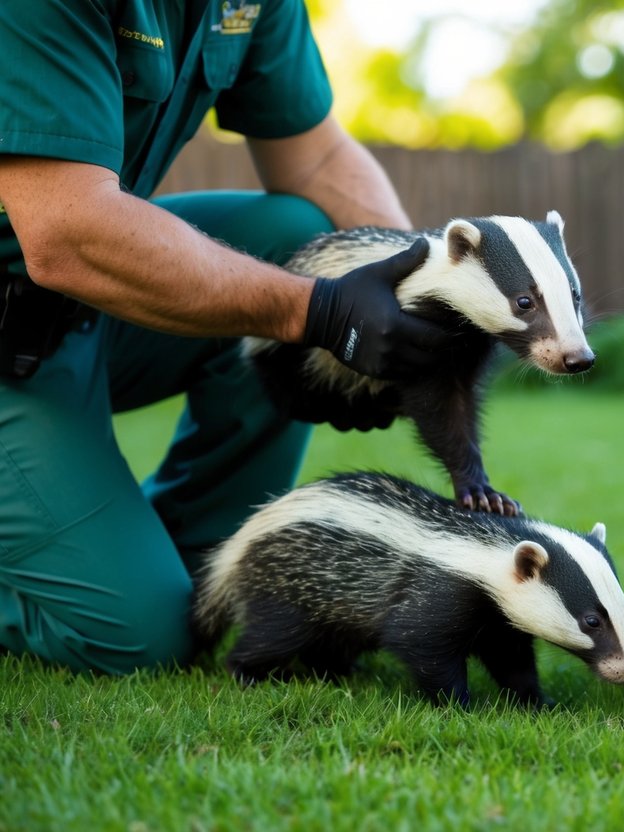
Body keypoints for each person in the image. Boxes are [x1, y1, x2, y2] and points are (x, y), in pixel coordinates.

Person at [0, 2, 453, 674]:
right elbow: (67, 231)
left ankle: (188, 554)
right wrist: (321, 315)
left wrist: (421, 304)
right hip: (29, 300)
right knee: (140, 639)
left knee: (297, 239)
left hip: (69, 312)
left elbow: (318, 156)